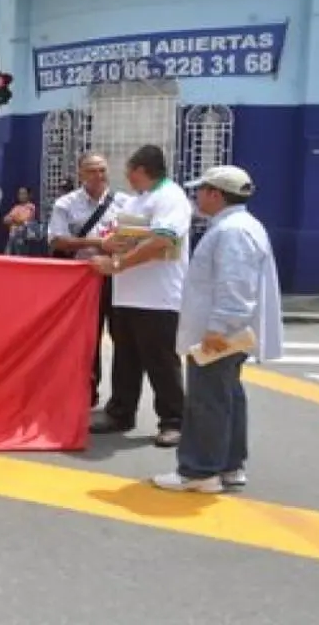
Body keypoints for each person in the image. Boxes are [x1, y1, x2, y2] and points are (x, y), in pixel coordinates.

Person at [152, 166, 282, 493]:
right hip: (229, 332)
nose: (196, 196)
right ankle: (229, 465)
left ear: (215, 194)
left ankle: (199, 471)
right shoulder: (241, 226)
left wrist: (218, 328)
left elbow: (235, 286)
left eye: (201, 190)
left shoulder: (232, 232)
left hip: (220, 333)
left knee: (207, 400)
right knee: (227, 397)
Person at [90, 145, 191, 447]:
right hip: (128, 294)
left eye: (129, 172)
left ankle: (173, 420)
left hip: (157, 296)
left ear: (140, 170)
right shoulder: (139, 200)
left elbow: (164, 239)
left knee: (161, 360)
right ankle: (121, 411)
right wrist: (111, 244)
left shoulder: (170, 197)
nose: (127, 177)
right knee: (125, 358)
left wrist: (118, 264)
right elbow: (130, 235)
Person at [47, 153, 130, 408]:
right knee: (85, 338)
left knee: (124, 339)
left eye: (102, 170)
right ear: (81, 173)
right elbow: (56, 239)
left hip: (118, 278)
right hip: (82, 279)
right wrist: (98, 243)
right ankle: (86, 392)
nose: (98, 176)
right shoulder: (66, 204)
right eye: (92, 171)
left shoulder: (126, 203)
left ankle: (122, 401)